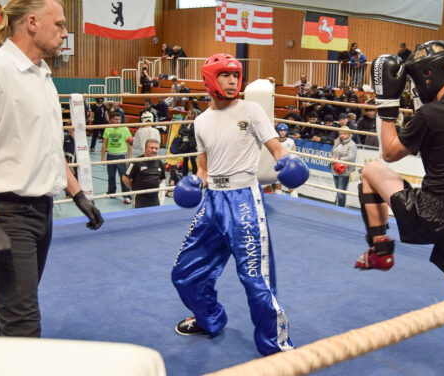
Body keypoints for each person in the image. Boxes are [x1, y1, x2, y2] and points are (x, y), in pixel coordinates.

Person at [0, 0, 103, 338]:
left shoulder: (43, 76)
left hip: (40, 212)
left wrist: (78, 195)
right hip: (7, 213)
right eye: (59, 24)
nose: (65, 33)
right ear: (32, 23)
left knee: (8, 309)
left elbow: (47, 146)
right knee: (23, 324)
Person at [360, 41, 444, 374]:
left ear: (428, 76)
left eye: (418, 80)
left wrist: (388, 105)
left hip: (431, 214)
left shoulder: (431, 114)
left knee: (371, 171)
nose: (417, 87)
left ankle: (380, 249)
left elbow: (389, 152)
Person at [170, 53, 309, 356]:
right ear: (210, 79)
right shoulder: (202, 121)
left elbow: (276, 148)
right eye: (225, 75)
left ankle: (277, 347)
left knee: (255, 278)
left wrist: (287, 161)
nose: (233, 81)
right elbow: (204, 167)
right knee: (184, 272)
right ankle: (210, 320)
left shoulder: (252, 110)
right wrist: (195, 181)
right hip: (213, 202)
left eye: (235, 75)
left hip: (244, 200)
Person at [123, 139, 165, 208]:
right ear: (145, 148)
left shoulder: (159, 162)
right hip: (139, 198)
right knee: (138, 216)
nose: (154, 150)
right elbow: (125, 178)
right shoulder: (136, 161)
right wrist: (134, 188)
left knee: (154, 216)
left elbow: (161, 179)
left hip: (154, 197)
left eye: (156, 148)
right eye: (152, 148)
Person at [101, 112, 132, 204]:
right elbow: (104, 144)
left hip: (121, 156)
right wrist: (102, 157)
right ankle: (111, 192)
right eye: (115, 119)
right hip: (110, 155)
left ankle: (127, 196)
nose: (118, 121)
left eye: (119, 119)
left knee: (123, 177)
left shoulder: (125, 129)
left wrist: (129, 158)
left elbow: (130, 144)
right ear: (111, 120)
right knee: (111, 176)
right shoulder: (108, 128)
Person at [330, 126, 357, 207]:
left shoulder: (352, 144)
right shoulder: (338, 142)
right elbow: (332, 152)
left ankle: (341, 208)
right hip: (335, 169)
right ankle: (339, 206)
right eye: (341, 134)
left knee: (341, 192)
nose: (342, 135)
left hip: (345, 171)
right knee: (338, 190)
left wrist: (338, 159)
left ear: (349, 134)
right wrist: (331, 157)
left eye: (344, 134)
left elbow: (351, 157)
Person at [274, 123, 298, 197]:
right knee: (278, 185)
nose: (282, 132)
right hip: (277, 164)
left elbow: (294, 155)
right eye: (280, 130)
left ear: (286, 131)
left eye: (284, 130)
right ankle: (278, 201)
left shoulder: (290, 142)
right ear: (278, 131)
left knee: (290, 186)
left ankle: (296, 201)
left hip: (287, 165)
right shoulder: (274, 141)